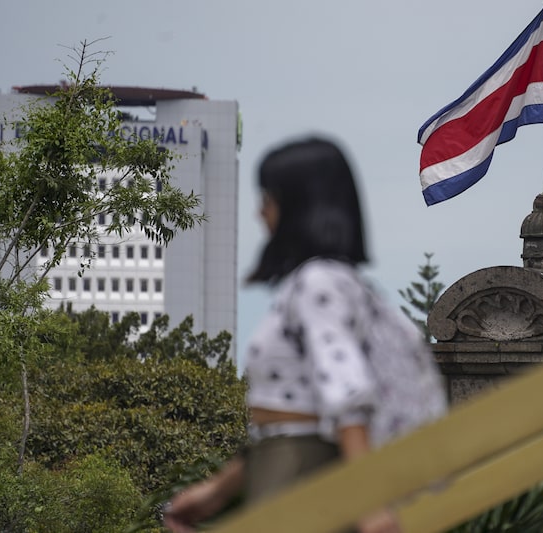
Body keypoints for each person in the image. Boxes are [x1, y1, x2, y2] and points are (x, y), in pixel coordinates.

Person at [163, 136, 447, 533]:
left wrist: (369, 504)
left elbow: (348, 393)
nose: (260, 211)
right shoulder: (342, 285)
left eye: (268, 197)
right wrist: (217, 491)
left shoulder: (317, 284)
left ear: (298, 205)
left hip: (302, 466)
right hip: (285, 457)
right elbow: (293, 409)